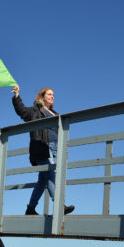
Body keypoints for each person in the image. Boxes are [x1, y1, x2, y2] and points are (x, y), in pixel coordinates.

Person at [12, 85, 75, 215]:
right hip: (42, 147)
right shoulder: (36, 111)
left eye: (53, 95)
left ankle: (30, 209)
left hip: (57, 148)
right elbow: (22, 112)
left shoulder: (56, 113)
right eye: (49, 94)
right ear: (42, 97)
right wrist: (17, 96)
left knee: (43, 179)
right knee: (51, 175)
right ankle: (59, 206)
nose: (52, 96)